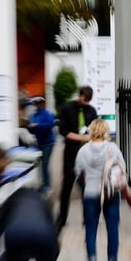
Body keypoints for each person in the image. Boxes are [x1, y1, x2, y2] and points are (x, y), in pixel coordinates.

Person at [75, 119, 127, 261]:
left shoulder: (83, 151)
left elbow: (78, 172)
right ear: (105, 130)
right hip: (110, 192)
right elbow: (122, 168)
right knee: (112, 227)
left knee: (90, 228)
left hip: (90, 193)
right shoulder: (112, 148)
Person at [56, 86, 99, 231]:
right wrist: (81, 137)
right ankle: (62, 219)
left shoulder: (92, 111)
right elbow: (63, 131)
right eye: (84, 99)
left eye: (89, 100)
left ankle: (87, 219)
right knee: (67, 185)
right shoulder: (67, 108)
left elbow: (96, 131)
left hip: (87, 153)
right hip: (71, 152)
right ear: (79, 95)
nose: (86, 102)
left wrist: (91, 138)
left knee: (87, 186)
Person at [27, 97, 57, 192]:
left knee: (45, 163)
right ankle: (43, 183)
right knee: (40, 164)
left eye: (39, 103)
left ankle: (47, 185)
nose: (37, 105)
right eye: (36, 103)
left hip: (49, 142)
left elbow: (49, 125)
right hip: (39, 142)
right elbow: (32, 130)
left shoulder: (47, 113)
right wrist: (30, 127)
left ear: (43, 103)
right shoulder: (34, 115)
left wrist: (37, 126)